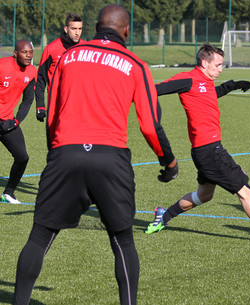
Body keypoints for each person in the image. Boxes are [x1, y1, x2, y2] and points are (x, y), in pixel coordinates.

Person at [13, 5, 177, 304]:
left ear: (95, 26)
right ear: (126, 30)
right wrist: (169, 162)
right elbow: (150, 123)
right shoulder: (135, 64)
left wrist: (56, 152)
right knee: (123, 241)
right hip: (110, 158)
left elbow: (52, 113)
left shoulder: (68, 57)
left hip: (65, 152)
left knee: (39, 237)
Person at [144, 43, 250, 245]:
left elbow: (211, 93)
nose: (221, 69)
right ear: (204, 63)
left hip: (207, 150)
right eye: (218, 65)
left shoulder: (205, 81)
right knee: (245, 192)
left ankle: (163, 216)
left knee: (204, 195)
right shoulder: (188, 79)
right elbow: (154, 90)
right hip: (209, 151)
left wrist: (234, 84)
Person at [0, 40, 37, 204]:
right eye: (25, 52)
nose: (28, 55)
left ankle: (8, 193)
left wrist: (15, 122)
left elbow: (28, 100)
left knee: (22, 157)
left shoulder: (32, 72)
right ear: (15, 53)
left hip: (7, 122)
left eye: (30, 52)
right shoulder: (2, 66)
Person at [35, 12, 85, 122]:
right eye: (74, 29)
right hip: (56, 109)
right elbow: (40, 78)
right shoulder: (51, 49)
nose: (77, 33)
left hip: (80, 108)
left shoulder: (85, 49)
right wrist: (40, 105)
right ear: (66, 29)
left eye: (80, 29)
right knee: (55, 139)